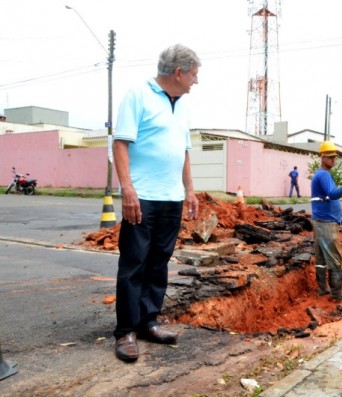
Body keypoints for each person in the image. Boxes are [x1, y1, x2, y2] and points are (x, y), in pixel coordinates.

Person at [112, 44, 200, 362]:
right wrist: (128, 190)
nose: (196, 81)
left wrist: (189, 190)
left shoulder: (184, 106)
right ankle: (125, 332)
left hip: (171, 199)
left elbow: (184, 151)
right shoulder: (138, 95)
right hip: (143, 198)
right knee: (134, 263)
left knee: (159, 262)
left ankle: (148, 322)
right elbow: (120, 143)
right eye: (194, 74)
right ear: (178, 72)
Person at [311, 141, 342, 302]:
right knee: (334, 260)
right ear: (322, 157)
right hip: (325, 223)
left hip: (321, 221)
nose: (333, 160)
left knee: (321, 259)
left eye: (334, 157)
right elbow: (332, 194)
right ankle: (337, 295)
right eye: (330, 157)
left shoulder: (322, 174)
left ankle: (322, 289)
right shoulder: (323, 174)